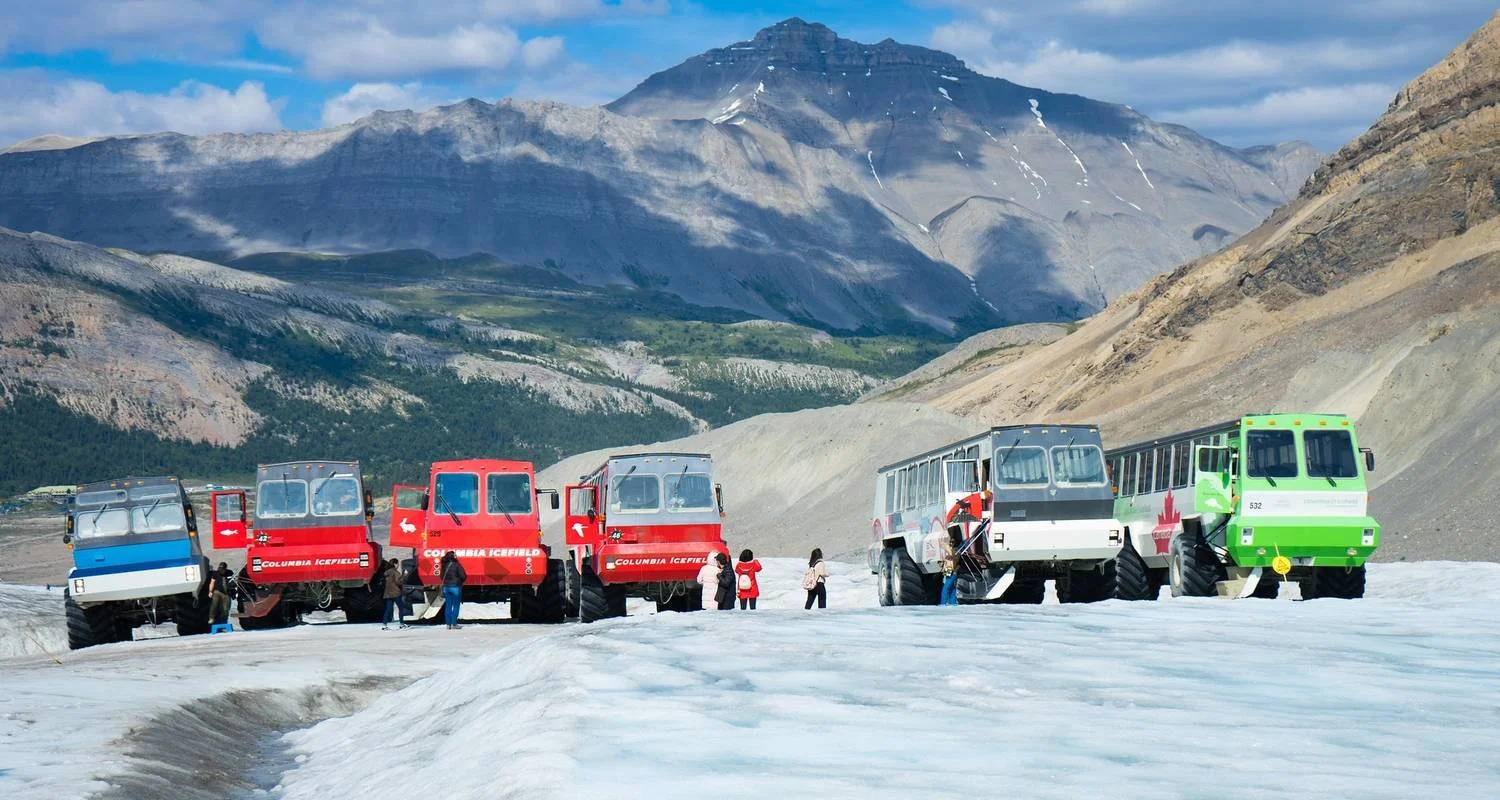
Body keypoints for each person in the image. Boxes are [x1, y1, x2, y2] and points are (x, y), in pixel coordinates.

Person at [440, 550, 467, 629]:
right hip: (455, 587)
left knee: (448, 606)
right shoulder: (457, 565)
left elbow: (441, 577)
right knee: (455, 606)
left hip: (446, 587)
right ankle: (454, 624)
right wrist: (459, 582)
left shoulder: (444, 565)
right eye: (455, 555)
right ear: (453, 557)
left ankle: (448, 625)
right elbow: (463, 576)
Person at [381, 558, 407, 630]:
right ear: (395, 564)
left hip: (388, 593)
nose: (398, 565)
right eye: (397, 563)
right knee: (401, 608)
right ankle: (402, 624)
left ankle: (384, 625)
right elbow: (399, 582)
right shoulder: (395, 572)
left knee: (388, 609)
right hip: (396, 593)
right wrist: (404, 575)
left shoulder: (387, 572)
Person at [940, 531, 960, 606]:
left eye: (952, 542)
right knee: (951, 587)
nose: (951, 543)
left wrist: (955, 571)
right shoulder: (948, 549)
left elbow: (958, 561)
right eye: (950, 542)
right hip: (947, 569)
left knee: (946, 588)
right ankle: (953, 603)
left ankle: (943, 603)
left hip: (953, 570)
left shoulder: (957, 550)